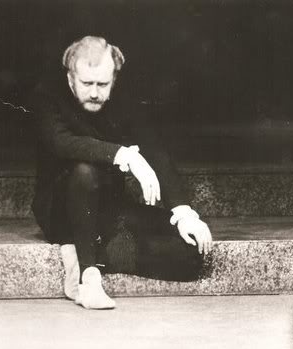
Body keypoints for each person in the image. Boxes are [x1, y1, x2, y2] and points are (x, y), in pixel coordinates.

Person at [31, 36, 212, 310]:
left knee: (191, 251)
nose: (95, 93)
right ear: (71, 78)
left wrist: (184, 212)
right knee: (84, 172)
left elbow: (153, 148)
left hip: (108, 208)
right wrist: (123, 155)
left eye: (102, 84)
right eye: (86, 84)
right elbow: (61, 142)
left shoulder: (123, 99)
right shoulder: (47, 95)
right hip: (63, 211)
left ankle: (85, 254)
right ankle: (88, 277)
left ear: (113, 79)